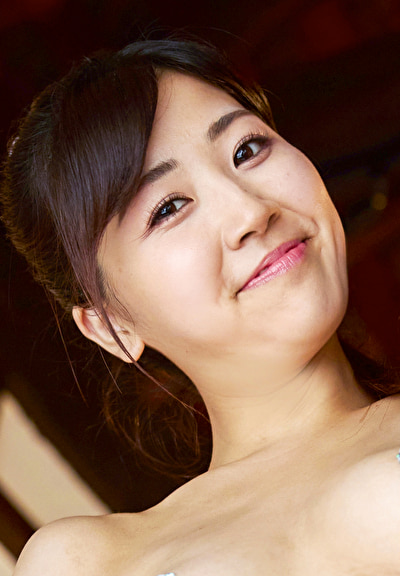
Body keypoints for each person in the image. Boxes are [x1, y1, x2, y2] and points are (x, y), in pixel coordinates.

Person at [1, 38, 400, 576]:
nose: (251, 211)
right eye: (168, 208)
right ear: (110, 324)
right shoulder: (85, 560)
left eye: (247, 150)